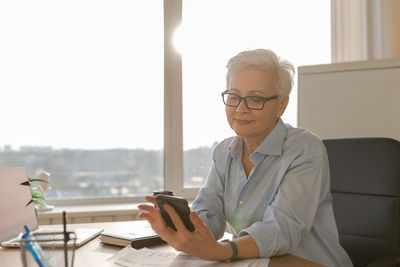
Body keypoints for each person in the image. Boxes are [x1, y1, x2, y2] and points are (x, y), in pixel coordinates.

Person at [138, 49, 353, 267]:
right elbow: (209, 212)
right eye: (233, 97)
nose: (241, 109)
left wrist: (222, 250)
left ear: (282, 105)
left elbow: (281, 229)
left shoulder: (304, 149)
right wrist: (183, 229)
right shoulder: (224, 152)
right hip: (253, 262)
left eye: (255, 99)